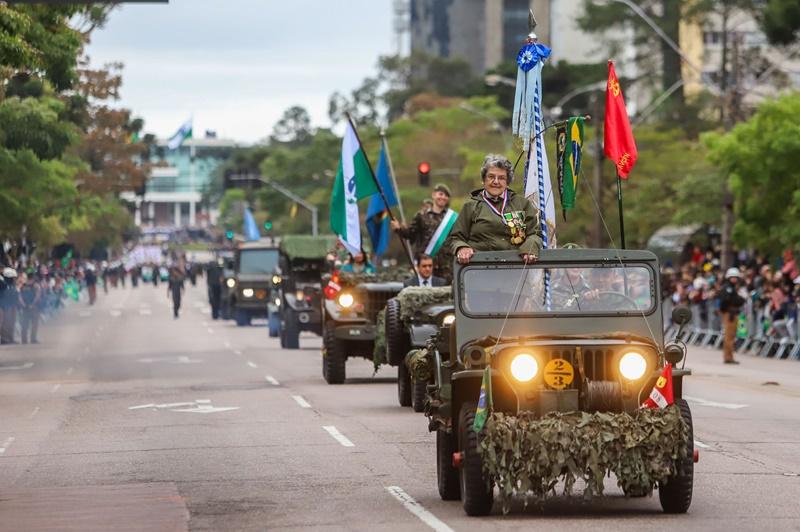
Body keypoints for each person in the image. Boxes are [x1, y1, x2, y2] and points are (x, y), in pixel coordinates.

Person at [447, 154, 542, 264]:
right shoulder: (470, 206)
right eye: (491, 177)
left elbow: (535, 233)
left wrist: (529, 249)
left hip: (515, 269)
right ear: (484, 180)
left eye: (501, 178)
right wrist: (461, 247)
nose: (496, 181)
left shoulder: (522, 204)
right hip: (479, 269)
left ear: (507, 182)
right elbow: (455, 238)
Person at [391, 183, 456, 282]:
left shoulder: (452, 218)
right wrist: (398, 228)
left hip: (446, 266)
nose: (443, 197)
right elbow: (410, 234)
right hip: (426, 266)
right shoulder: (421, 215)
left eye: (446, 196)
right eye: (441, 194)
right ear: (433, 195)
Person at [719, 267, 745, 365]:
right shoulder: (728, 288)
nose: (734, 279)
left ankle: (729, 356)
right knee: (729, 336)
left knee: (731, 336)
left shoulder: (731, 288)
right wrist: (740, 299)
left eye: (735, 277)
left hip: (732, 313)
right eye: (732, 277)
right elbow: (730, 301)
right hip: (730, 313)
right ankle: (728, 357)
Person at [19, 270, 41, 344]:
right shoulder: (36, 285)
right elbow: (37, 296)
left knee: (25, 323)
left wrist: (23, 304)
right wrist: (33, 304)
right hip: (33, 307)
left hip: (25, 306)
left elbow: (20, 296)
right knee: (34, 323)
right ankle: (33, 338)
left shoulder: (23, 285)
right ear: (33, 277)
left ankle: (24, 339)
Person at [1, 267, 19, 344]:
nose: (14, 280)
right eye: (13, 278)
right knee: (5, 323)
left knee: (12, 323)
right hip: (5, 307)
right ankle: (5, 339)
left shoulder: (12, 285)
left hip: (12, 306)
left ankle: (10, 338)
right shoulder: (3, 285)